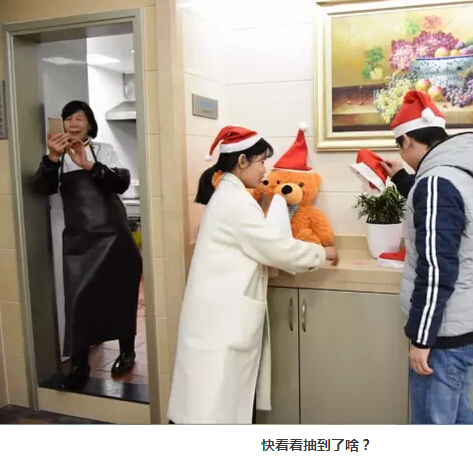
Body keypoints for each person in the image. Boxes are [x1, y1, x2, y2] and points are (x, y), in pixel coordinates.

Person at [167, 125, 339, 425]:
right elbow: (276, 248)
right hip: (220, 320)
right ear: (242, 161)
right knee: (211, 405)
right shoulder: (234, 202)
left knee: (212, 401)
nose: (264, 169)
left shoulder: (232, 195)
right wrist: (321, 254)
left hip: (218, 315)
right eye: (261, 161)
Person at [381, 90, 473, 424]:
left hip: (442, 338)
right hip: (463, 326)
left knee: (432, 425)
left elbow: (435, 268)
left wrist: (421, 338)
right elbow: (437, 214)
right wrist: (401, 178)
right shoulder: (456, 173)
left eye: (400, 147)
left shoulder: (435, 183)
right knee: (457, 419)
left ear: (407, 141)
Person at [33, 101, 142, 390]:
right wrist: (52, 159)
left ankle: (127, 353)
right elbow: (43, 188)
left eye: (79, 118)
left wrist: (88, 165)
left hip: (114, 237)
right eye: (68, 118)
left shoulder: (103, 150)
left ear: (90, 124)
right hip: (80, 242)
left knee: (121, 294)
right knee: (78, 302)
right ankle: (79, 364)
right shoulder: (55, 156)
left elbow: (121, 181)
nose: (73, 123)